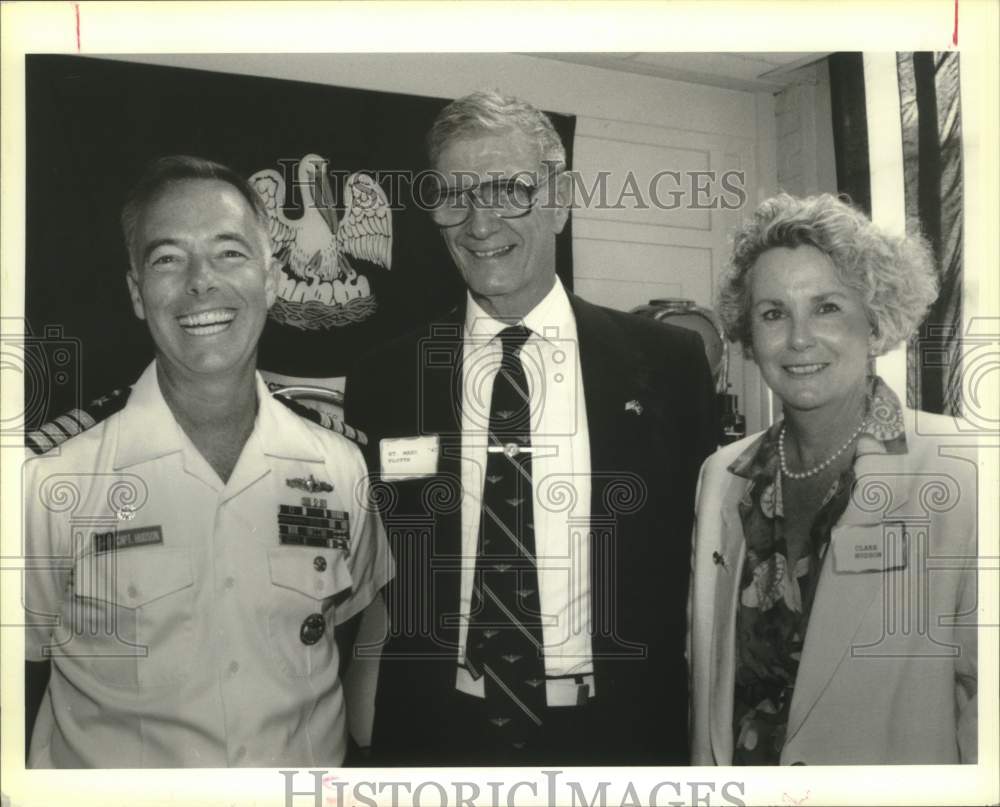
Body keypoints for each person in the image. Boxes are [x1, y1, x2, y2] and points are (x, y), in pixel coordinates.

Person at [345, 90, 717, 765]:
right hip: (435, 737)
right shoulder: (386, 378)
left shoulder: (667, 366)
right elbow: (373, 569)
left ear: (561, 197)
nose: (479, 222)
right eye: (454, 193)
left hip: (618, 738)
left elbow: (712, 563)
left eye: (508, 190)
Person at [22, 155, 393, 768]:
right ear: (138, 293)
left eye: (229, 252)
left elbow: (350, 630)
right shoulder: (49, 480)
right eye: (168, 258)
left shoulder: (340, 465)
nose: (201, 282)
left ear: (271, 278)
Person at [688, 193, 978, 765]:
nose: (798, 339)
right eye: (773, 313)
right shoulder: (723, 475)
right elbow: (710, 688)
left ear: (874, 321)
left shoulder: (964, 470)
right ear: (749, 334)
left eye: (826, 308)